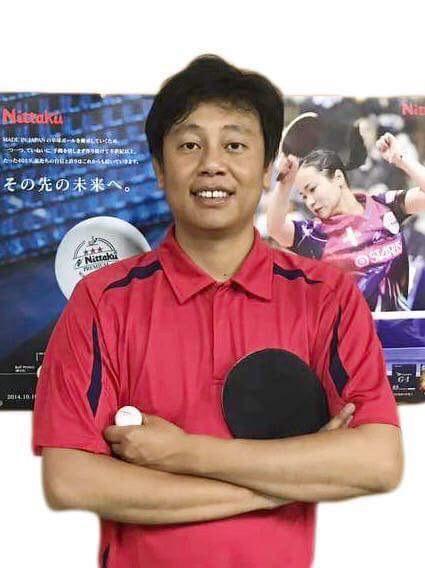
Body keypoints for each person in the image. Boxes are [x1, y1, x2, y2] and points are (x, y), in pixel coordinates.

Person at [32, 56, 403, 568]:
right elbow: (70, 480)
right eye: (189, 145)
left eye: (235, 145)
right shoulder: (101, 301)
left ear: (267, 167)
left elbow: (378, 460)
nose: (212, 164)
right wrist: (279, 486)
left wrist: (183, 453)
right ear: (160, 168)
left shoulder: (327, 295)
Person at [267, 126, 425, 311]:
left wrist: (401, 159)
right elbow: (276, 228)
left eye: (312, 189)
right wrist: (284, 183)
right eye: (304, 196)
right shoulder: (315, 234)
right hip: (355, 328)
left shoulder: (384, 205)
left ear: (338, 178)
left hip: (403, 325)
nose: (310, 201)